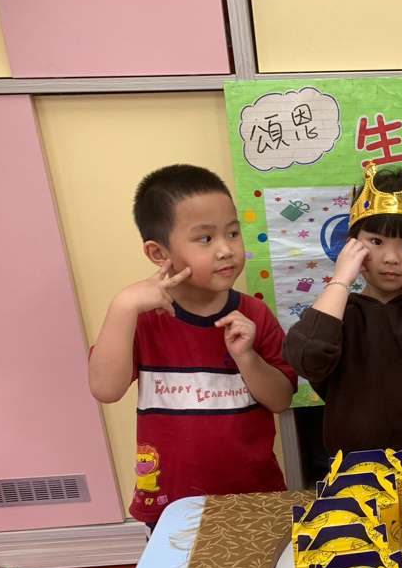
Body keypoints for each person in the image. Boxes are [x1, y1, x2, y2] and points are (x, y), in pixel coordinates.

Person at [88, 164, 297, 529]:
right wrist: (122, 305)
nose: (226, 250)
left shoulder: (254, 314)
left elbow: (280, 400)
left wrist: (246, 357)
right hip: (171, 505)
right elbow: (105, 389)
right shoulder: (142, 318)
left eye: (232, 233)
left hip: (255, 497)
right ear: (159, 253)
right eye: (205, 238)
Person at [284, 161, 402, 456]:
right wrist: (341, 279)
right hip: (354, 467)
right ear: (352, 247)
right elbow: (307, 360)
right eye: (376, 241)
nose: (391, 258)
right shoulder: (337, 315)